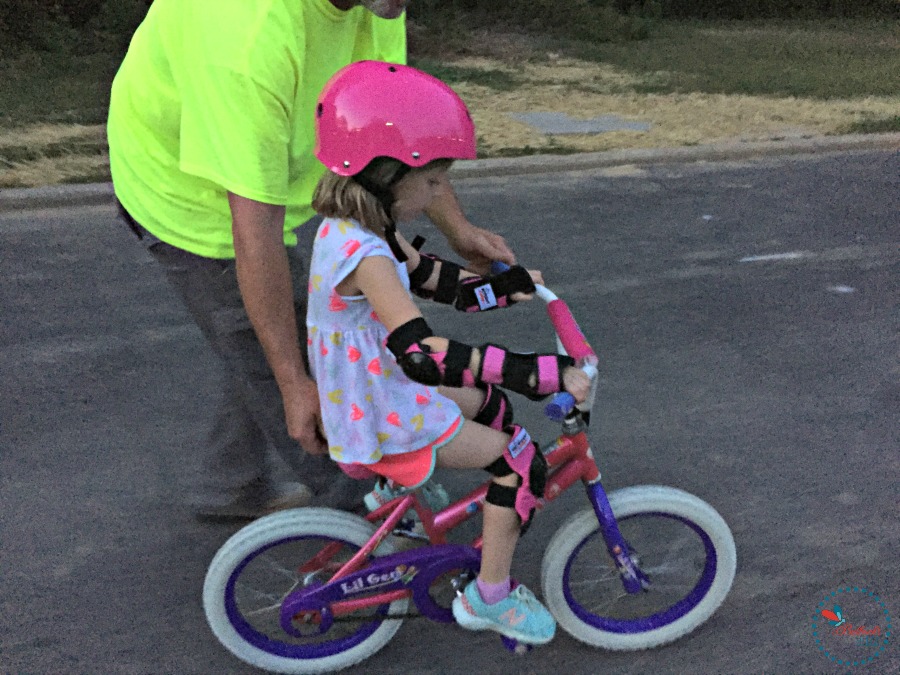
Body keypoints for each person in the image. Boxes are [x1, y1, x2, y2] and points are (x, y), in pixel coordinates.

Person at [106, 0, 515, 520]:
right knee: (318, 388)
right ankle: (368, 533)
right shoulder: (247, 37)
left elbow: (398, 138)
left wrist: (461, 232)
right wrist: (295, 384)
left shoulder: (380, 5)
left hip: (265, 165)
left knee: (281, 334)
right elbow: (254, 236)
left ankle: (229, 485)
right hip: (188, 194)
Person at [307, 60, 591, 644]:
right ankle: (491, 597)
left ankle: (404, 500)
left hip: (371, 391)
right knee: (518, 459)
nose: (440, 193)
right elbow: (422, 353)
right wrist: (540, 374)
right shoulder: (369, 256)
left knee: (483, 401)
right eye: (433, 181)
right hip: (383, 403)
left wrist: (510, 287)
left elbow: (442, 285)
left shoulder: (361, 228)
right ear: (387, 172)